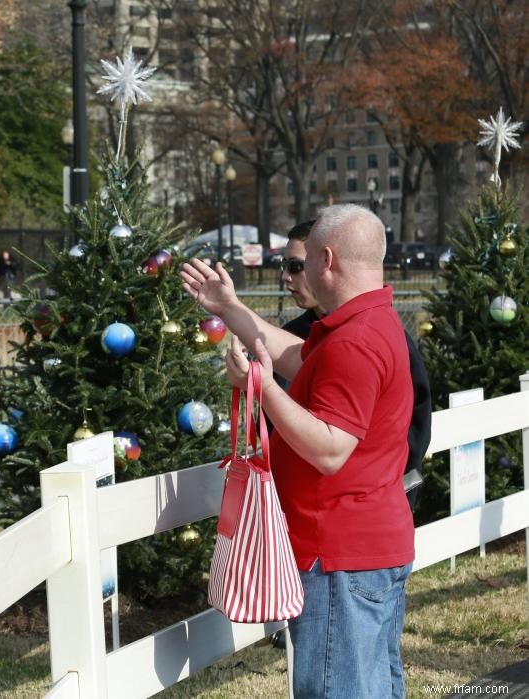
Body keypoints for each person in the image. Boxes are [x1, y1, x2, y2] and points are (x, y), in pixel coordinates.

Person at [181, 204, 414, 699]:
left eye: (303, 259)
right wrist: (229, 308)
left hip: (338, 557)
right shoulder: (368, 322)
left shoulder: (356, 340)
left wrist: (258, 387)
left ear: (325, 259)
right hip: (365, 547)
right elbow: (297, 358)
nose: (298, 270)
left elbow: (331, 450)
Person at [277, 219, 431, 509]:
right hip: (300, 503)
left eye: (296, 265)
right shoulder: (294, 334)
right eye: (282, 266)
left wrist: (387, 483)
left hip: (360, 507)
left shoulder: (364, 336)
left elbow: (415, 422)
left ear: (325, 260)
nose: (286, 276)